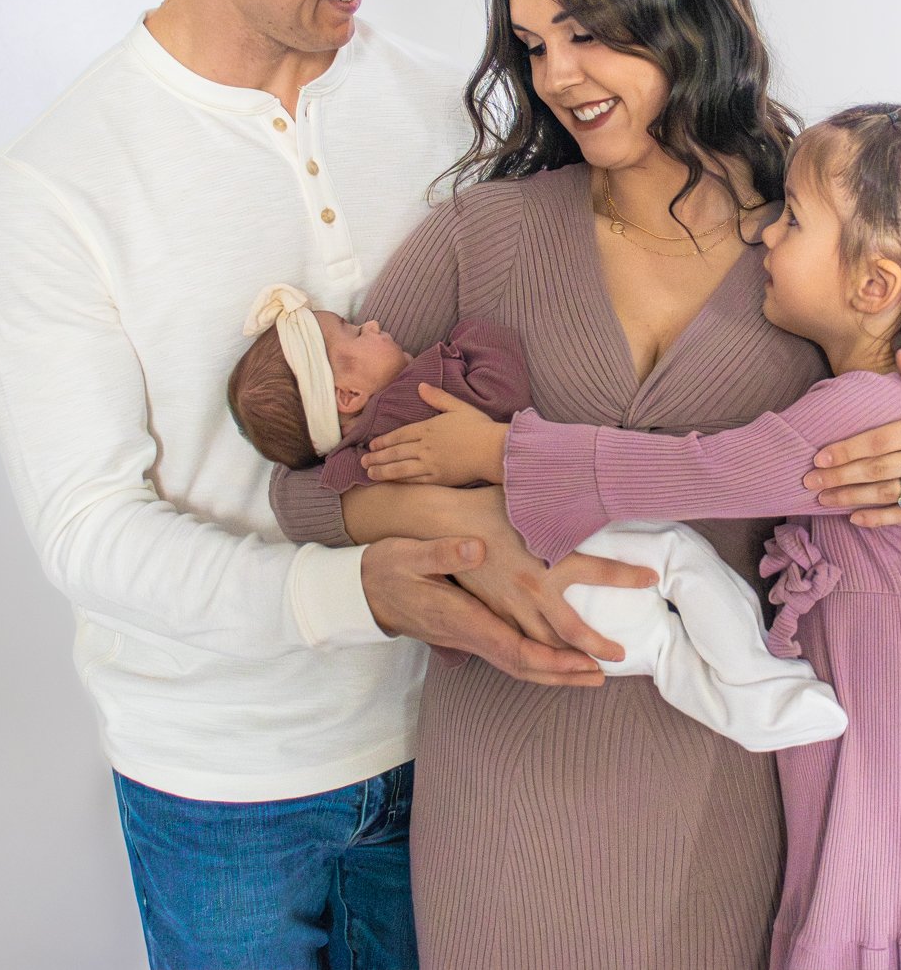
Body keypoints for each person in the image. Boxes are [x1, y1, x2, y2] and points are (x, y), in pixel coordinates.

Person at [269, 0, 901, 969]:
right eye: (531, 46)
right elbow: (304, 489)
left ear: (685, 15)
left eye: (585, 32)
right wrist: (467, 528)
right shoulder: (479, 238)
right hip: (503, 813)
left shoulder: (822, 257)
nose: (557, 75)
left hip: (744, 824)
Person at [0, 0, 644, 970]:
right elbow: (88, 531)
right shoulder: (59, 186)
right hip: (225, 788)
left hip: (471, 739)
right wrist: (355, 591)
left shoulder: (450, 112)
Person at [374, 99, 901, 968]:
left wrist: (498, 451)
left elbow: (699, 470)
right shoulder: (884, 404)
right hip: (884, 820)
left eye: (794, 220)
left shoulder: (869, 414)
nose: (766, 233)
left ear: (875, 285)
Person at [228, 285, 848, 752]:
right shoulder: (420, 392)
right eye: (352, 333)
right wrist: (470, 340)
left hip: (522, 614)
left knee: (661, 648)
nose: (372, 322)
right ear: (346, 395)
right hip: (553, 556)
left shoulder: (347, 466)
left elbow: (309, 497)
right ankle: (757, 679)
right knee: (676, 556)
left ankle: (754, 710)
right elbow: (504, 386)